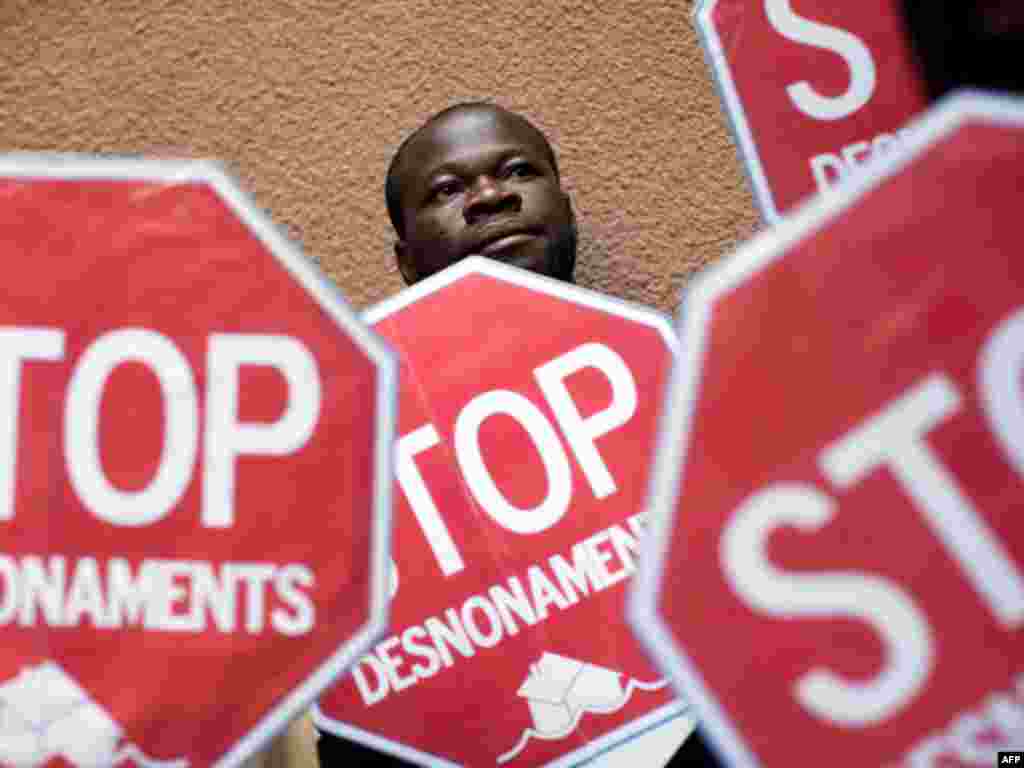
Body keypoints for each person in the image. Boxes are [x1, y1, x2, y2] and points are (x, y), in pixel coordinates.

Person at [264, 102, 725, 767]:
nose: (491, 196)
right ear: (404, 259)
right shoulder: (347, 471)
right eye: (447, 191)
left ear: (563, 209)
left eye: (518, 171)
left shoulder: (695, 380)